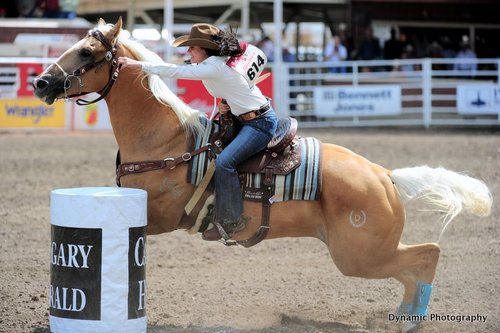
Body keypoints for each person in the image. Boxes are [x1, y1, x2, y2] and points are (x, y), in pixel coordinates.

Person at [118, 23, 278, 241]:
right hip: (249, 118)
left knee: (225, 163)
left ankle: (232, 220)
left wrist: (136, 64)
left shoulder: (214, 67)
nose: (188, 52)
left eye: (192, 48)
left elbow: (176, 71)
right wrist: (228, 103)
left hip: (259, 124)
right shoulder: (223, 64)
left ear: (204, 49)